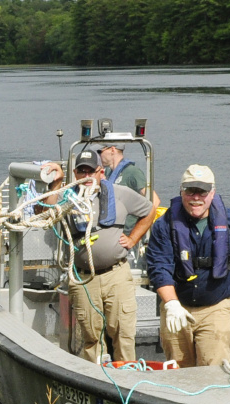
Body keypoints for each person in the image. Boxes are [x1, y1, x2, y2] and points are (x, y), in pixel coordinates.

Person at [145, 164, 230, 368]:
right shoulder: (164, 225)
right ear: (181, 191)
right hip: (176, 304)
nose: (196, 197)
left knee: (214, 369)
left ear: (212, 192)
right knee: (178, 369)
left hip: (215, 306)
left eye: (201, 191)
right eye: (190, 191)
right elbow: (159, 267)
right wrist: (171, 304)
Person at [41, 148, 159, 363]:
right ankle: (96, 381)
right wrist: (56, 183)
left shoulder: (120, 193)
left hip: (116, 274)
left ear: (100, 172)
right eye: (81, 172)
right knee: (90, 337)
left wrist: (132, 238)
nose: (86, 177)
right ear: (75, 174)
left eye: (91, 171)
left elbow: (150, 210)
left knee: (123, 333)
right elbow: (45, 215)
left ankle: (127, 381)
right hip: (84, 278)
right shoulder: (68, 198)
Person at [99, 139, 161, 251]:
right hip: (112, 234)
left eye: (100, 151)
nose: (99, 156)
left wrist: (138, 229)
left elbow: (154, 201)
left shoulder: (132, 172)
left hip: (127, 235)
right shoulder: (107, 173)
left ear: (112, 149)